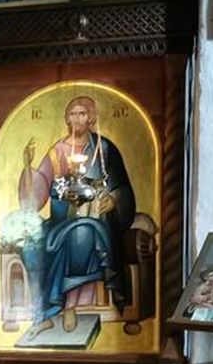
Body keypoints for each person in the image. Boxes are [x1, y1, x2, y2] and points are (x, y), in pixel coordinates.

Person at [18, 95, 137, 336]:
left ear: (91, 118)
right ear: (67, 118)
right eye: (72, 114)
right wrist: (28, 167)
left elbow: (121, 185)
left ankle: (67, 305)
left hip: (96, 219)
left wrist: (114, 199)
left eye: (82, 114)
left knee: (79, 235)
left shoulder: (104, 149)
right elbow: (39, 191)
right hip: (61, 219)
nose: (77, 119)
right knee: (33, 242)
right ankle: (42, 314)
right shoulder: (58, 151)